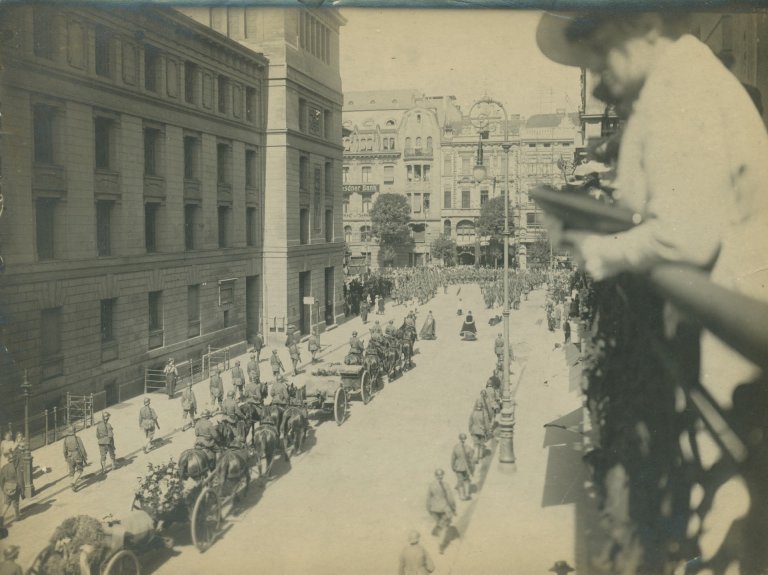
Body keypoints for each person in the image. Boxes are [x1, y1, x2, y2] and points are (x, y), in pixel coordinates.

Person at [536, 12, 768, 401]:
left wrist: (600, 252)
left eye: (601, 49)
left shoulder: (679, 88)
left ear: (645, 26)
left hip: (732, 344)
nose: (595, 71)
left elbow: (685, 238)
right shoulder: (680, 77)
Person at [426, 469, 456, 555]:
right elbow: (450, 499)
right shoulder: (446, 485)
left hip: (434, 509)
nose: (440, 476)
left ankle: (437, 532)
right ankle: (441, 546)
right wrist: (453, 508)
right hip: (444, 509)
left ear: (435, 476)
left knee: (439, 523)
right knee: (444, 528)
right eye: (441, 475)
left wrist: (429, 509)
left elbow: (428, 498)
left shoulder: (431, 485)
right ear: (442, 475)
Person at [62, 426, 88, 491]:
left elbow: (64, 450)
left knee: (71, 472)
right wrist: (85, 456)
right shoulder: (77, 438)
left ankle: (72, 483)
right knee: (80, 470)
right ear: (74, 431)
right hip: (77, 456)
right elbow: (82, 448)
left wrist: (66, 457)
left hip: (69, 456)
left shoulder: (65, 439)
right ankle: (73, 483)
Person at [451, 433, 474, 501]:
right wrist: (471, 469)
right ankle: (467, 494)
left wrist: (453, 466)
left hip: (458, 467)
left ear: (459, 438)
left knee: (460, 481)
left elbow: (453, 458)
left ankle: (461, 496)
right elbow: (471, 458)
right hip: (466, 467)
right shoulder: (468, 447)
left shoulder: (456, 447)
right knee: (466, 480)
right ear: (465, 439)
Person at [468, 400, 489, 464]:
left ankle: (475, 457)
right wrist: (487, 431)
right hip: (482, 431)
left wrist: (470, 430)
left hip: (474, 430)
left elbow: (470, 422)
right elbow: (486, 423)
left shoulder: (473, 412)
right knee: (481, 444)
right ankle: (480, 456)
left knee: (476, 444)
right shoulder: (484, 413)